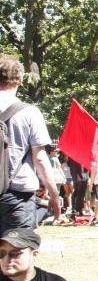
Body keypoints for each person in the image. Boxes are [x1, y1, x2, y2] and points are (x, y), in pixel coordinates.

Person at [0, 56, 61, 232]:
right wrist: (53, 194)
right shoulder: (29, 113)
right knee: (17, 250)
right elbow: (40, 158)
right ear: (20, 80)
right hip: (18, 194)